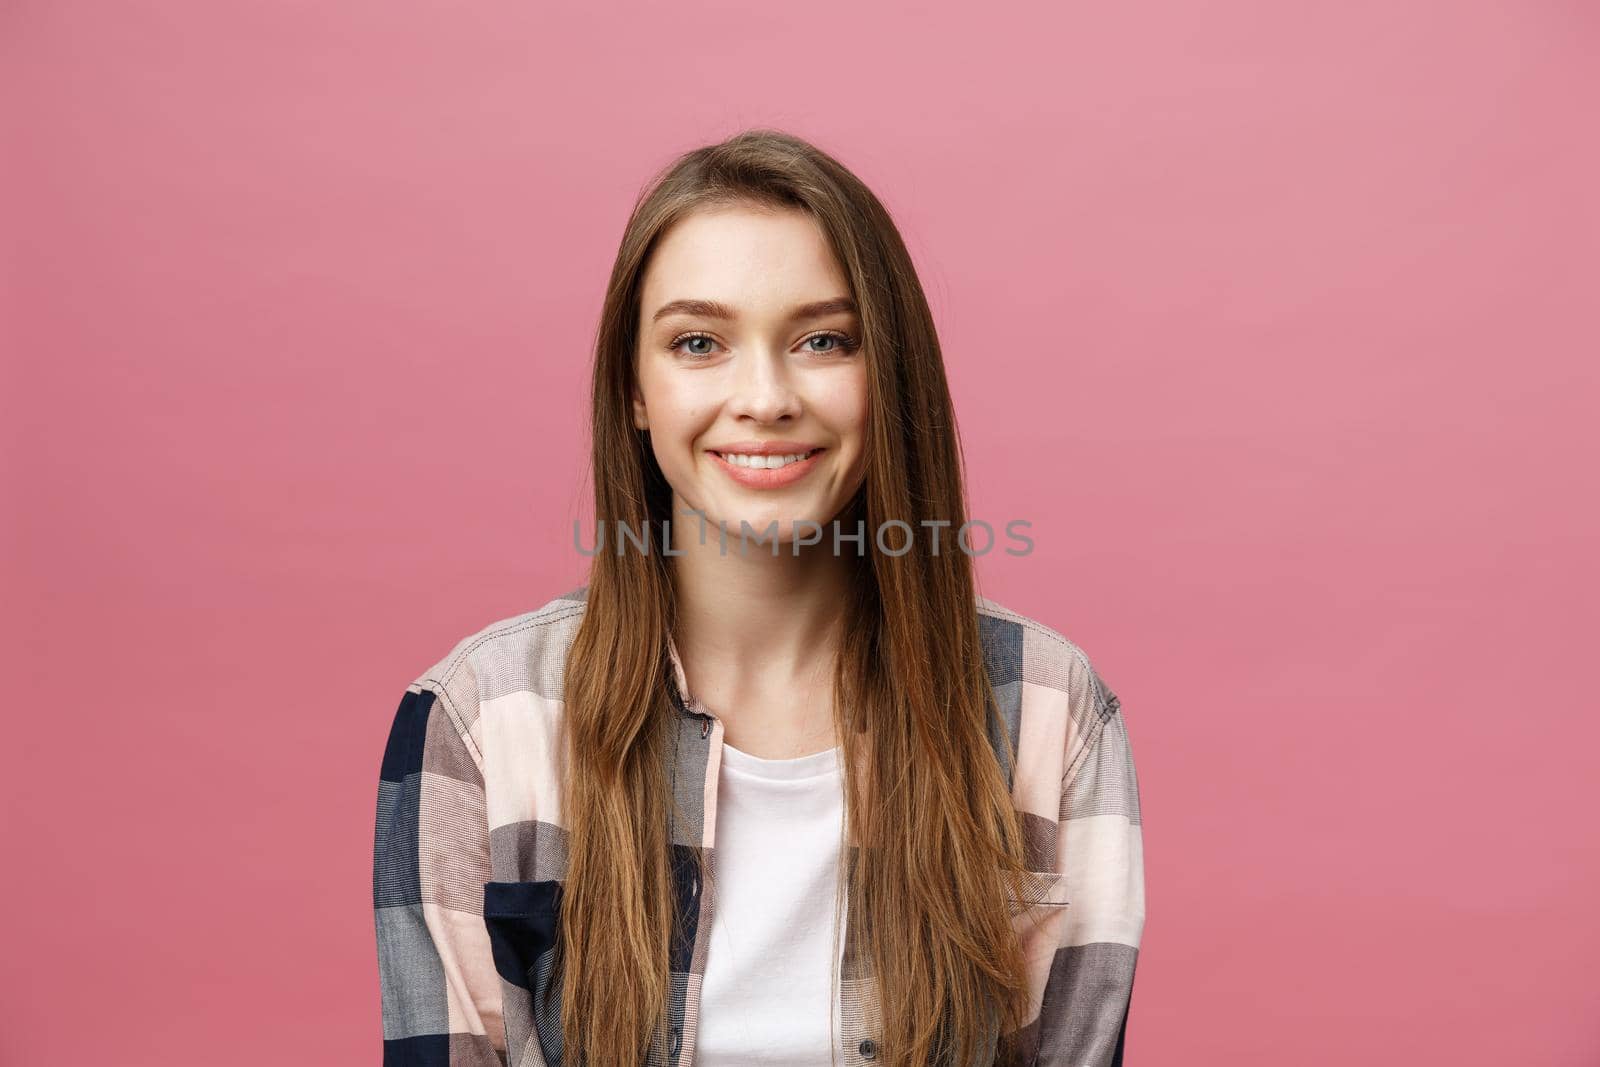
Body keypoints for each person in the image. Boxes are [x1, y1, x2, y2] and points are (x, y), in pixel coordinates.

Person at [373, 128, 1146, 1067]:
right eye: (699, 343)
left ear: (888, 375)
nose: (766, 396)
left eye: (823, 340)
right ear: (636, 389)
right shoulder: (479, 721)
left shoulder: (1051, 712)